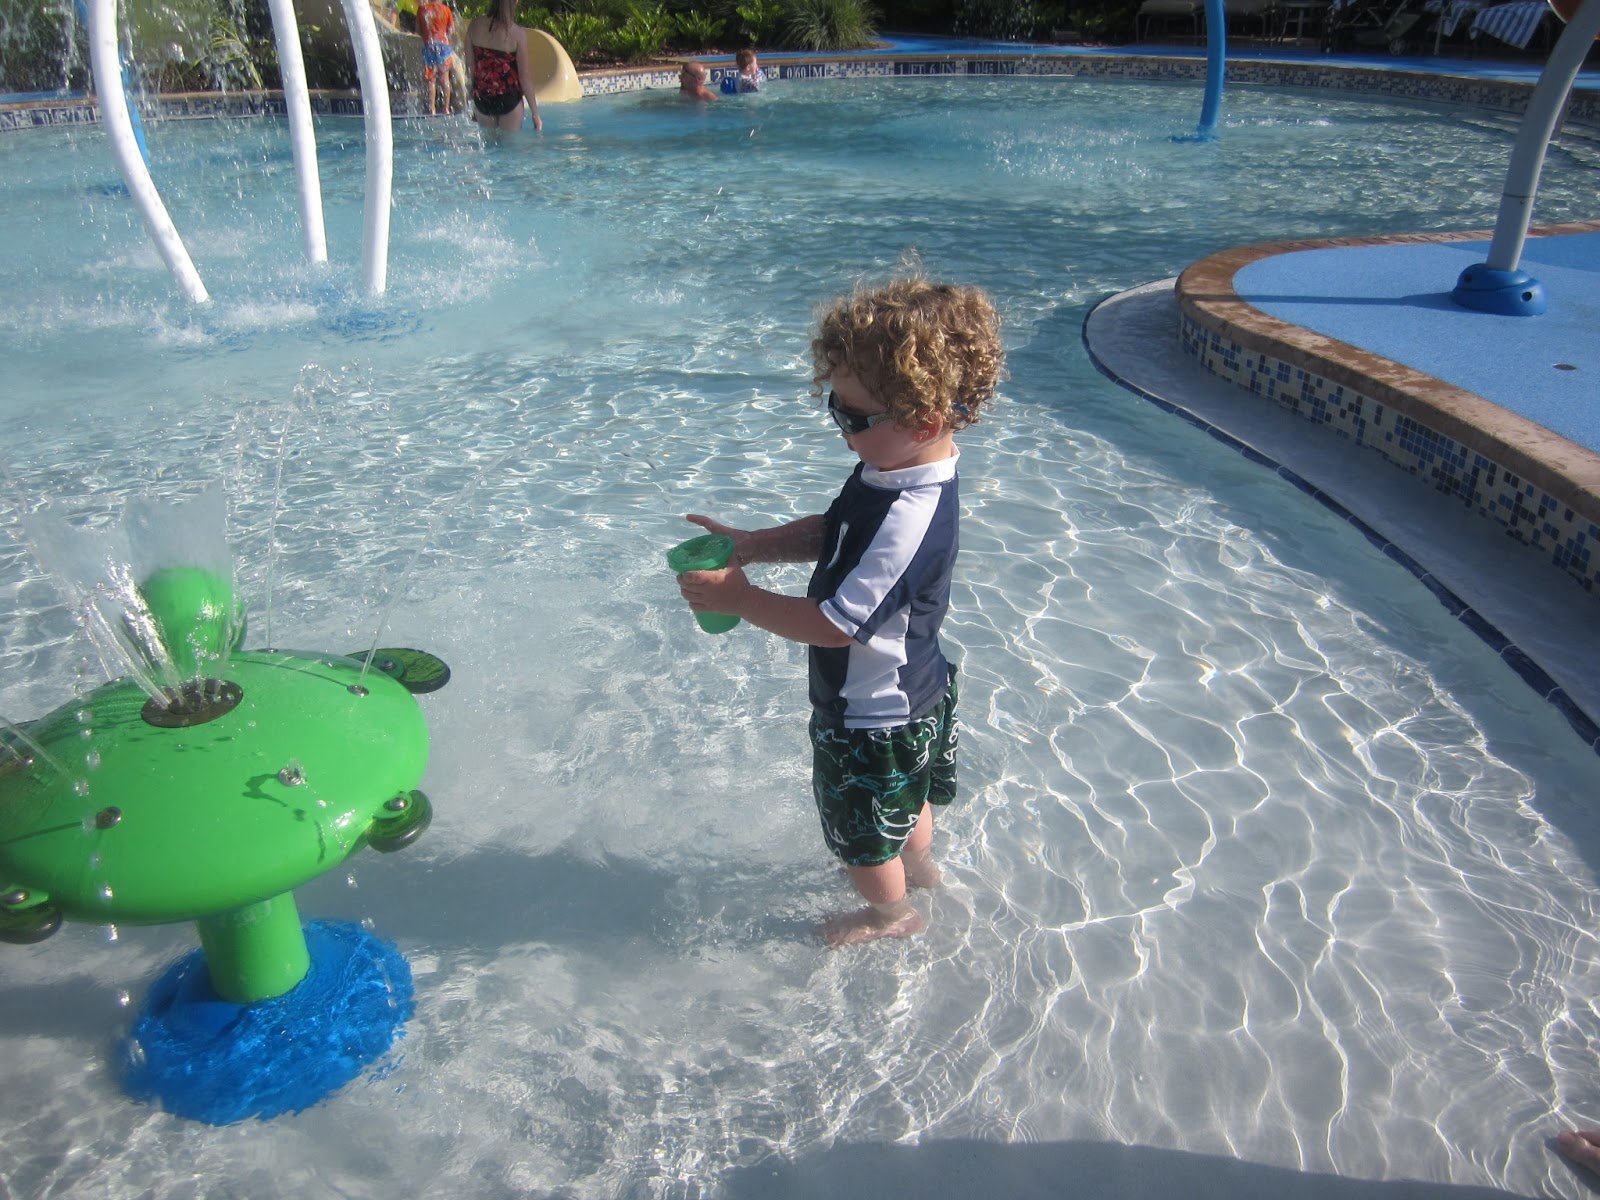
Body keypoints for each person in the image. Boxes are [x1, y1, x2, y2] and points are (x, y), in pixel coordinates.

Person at [675, 278, 1005, 947]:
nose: (841, 429)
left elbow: (832, 625)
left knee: (861, 841)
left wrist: (739, 599)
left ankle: (892, 915)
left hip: (870, 718)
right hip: (916, 690)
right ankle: (921, 868)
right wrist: (754, 545)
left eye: (852, 417)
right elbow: (835, 530)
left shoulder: (908, 519)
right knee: (908, 799)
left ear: (923, 421)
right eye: (835, 406)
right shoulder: (898, 469)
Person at [465, 0, 544, 131]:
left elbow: (470, 69)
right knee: (510, 144)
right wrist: (535, 114)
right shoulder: (518, 34)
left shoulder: (475, 26)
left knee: (489, 143)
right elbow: (524, 78)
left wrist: (470, 99)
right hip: (509, 100)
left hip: (482, 99)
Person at [415, 0, 458, 115]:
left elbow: (418, 31)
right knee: (445, 79)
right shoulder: (446, 10)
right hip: (444, 47)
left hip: (429, 46)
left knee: (431, 80)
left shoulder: (422, 9)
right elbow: (451, 31)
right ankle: (446, 108)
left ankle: (432, 109)